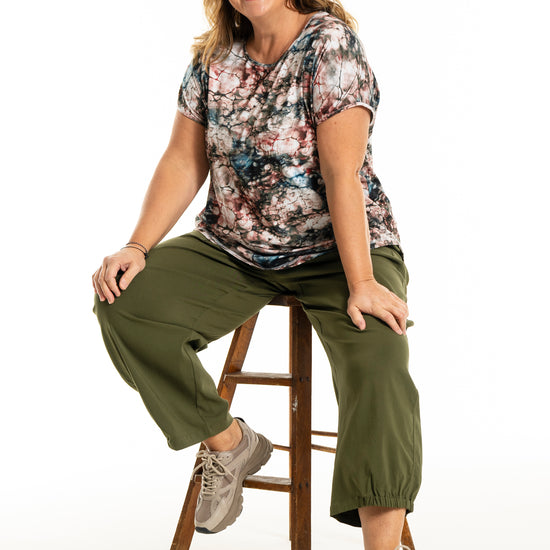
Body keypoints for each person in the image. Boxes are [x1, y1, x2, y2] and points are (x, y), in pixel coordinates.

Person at [91, 1, 422, 548]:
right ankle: (230, 444)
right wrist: (137, 244)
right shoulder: (213, 57)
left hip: (339, 252)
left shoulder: (329, 45)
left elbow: (341, 173)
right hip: (235, 248)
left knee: (379, 361)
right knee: (124, 300)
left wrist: (363, 283)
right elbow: (184, 160)